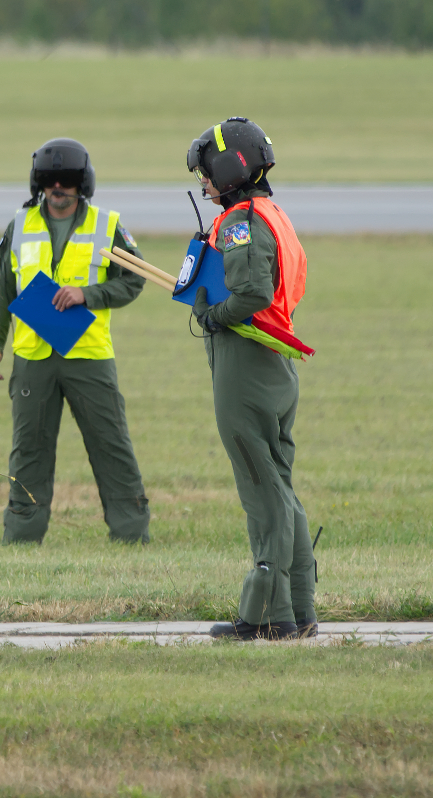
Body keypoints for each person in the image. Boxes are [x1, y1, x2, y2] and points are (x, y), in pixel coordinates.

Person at [0, 138, 152, 545]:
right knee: (29, 450)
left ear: (83, 183)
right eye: (49, 179)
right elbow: (0, 289)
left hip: (88, 355)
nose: (58, 187)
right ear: (38, 183)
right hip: (32, 357)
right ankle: (23, 536)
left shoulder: (107, 225)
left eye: (68, 180)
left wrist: (88, 295)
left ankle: (131, 532)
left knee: (111, 444)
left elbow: (135, 278)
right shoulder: (19, 225)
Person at [186, 117, 317, 641]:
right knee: (279, 488)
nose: (204, 183)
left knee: (261, 491)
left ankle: (267, 615)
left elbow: (253, 293)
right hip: (276, 360)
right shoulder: (273, 213)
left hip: (247, 366)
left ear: (229, 170)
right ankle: (300, 608)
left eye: (207, 173)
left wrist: (211, 315)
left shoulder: (240, 220)